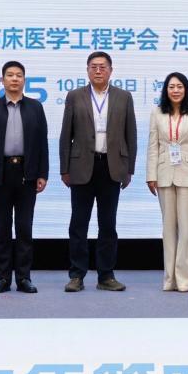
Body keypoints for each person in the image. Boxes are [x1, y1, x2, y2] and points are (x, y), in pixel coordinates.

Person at [59, 51, 137, 292]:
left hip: (111, 167)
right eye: (93, 66)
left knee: (108, 225)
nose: (98, 70)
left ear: (111, 71)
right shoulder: (75, 96)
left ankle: (106, 276)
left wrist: (129, 169)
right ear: (87, 70)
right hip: (81, 167)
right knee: (78, 224)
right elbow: (66, 135)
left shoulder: (124, 97)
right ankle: (76, 275)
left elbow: (131, 134)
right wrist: (64, 168)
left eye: (103, 66)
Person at [0, 61, 49, 294]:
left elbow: (42, 143)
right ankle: (3, 278)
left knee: (24, 228)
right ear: (2, 80)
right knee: (2, 228)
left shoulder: (35, 107)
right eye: (10, 75)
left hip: (27, 173)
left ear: (24, 80)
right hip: (0, 172)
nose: (15, 79)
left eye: (19, 75)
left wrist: (43, 173)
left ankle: (24, 278)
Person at [146, 72, 188, 292]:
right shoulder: (157, 113)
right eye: (171, 87)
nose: (175, 90)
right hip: (164, 174)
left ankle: (184, 279)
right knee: (168, 230)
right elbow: (153, 146)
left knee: (186, 230)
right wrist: (150, 175)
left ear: (186, 89)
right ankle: (169, 279)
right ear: (166, 90)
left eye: (180, 86)